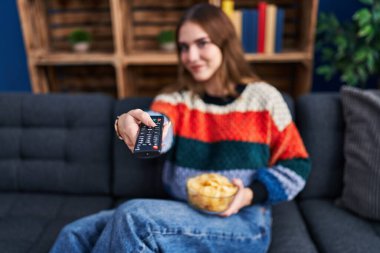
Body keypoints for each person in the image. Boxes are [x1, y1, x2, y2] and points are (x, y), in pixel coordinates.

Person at [49, 3, 310, 253]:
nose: (191, 56)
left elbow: (297, 165)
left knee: (135, 218)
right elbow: (160, 127)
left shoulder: (264, 98)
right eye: (184, 47)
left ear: (225, 43)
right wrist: (127, 124)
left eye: (202, 43)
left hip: (242, 221)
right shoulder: (176, 99)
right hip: (182, 209)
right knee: (75, 233)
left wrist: (251, 194)